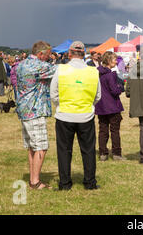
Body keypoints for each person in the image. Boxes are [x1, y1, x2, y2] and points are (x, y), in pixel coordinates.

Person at [51, 41, 101, 190]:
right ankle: (90, 182)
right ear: (84, 53)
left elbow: (53, 93)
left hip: (64, 115)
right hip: (85, 115)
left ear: (70, 54)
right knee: (88, 150)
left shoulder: (61, 69)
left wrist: (61, 105)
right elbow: (98, 96)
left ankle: (65, 183)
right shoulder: (93, 71)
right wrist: (89, 105)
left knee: (64, 151)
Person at [15, 41, 57, 190]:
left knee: (32, 147)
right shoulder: (39, 65)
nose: (49, 57)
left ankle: (33, 178)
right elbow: (58, 70)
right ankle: (35, 182)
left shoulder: (21, 64)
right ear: (40, 54)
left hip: (24, 108)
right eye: (48, 55)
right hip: (35, 109)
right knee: (41, 146)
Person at [95, 51, 125, 161]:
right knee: (114, 131)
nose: (116, 61)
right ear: (108, 61)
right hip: (112, 106)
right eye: (114, 59)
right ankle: (116, 153)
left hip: (101, 106)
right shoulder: (110, 75)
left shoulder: (97, 74)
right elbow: (114, 90)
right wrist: (120, 87)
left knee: (103, 130)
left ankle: (103, 152)